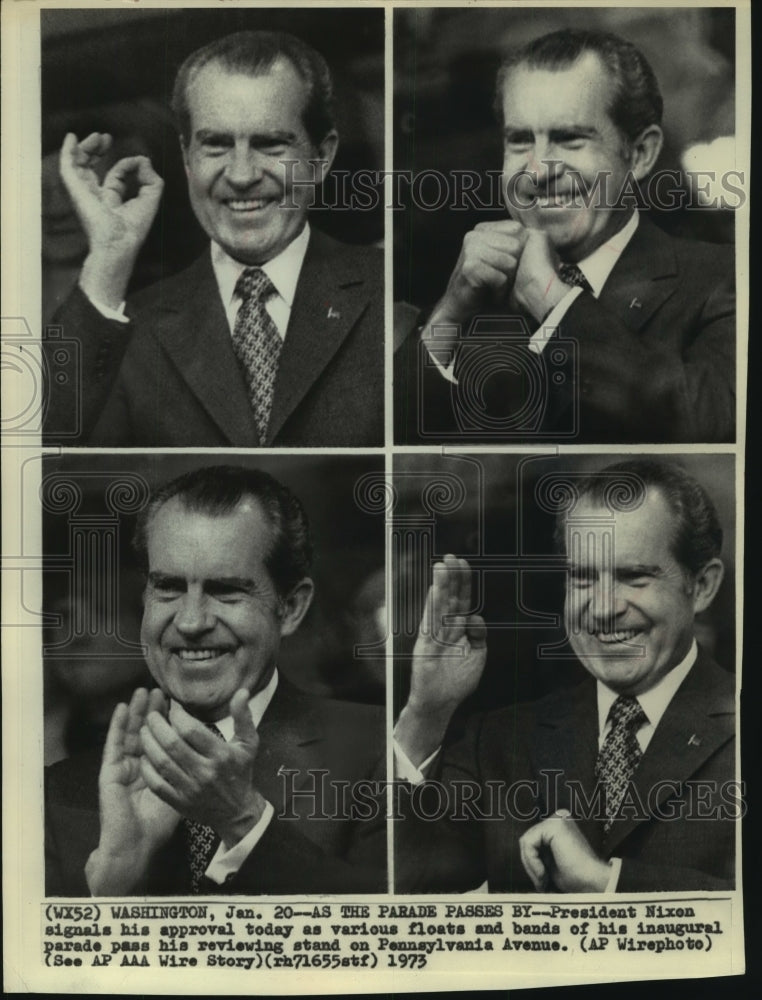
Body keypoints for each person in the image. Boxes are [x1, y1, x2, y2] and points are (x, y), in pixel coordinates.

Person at [394, 460, 737, 892]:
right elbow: (402, 887)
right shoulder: (500, 740)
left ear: (702, 585)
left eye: (634, 577)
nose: (603, 608)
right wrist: (426, 713)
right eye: (582, 578)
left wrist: (608, 884)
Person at [45, 465, 386, 895]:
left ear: (292, 608)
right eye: (167, 587)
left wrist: (242, 821)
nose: (189, 622)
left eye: (226, 590)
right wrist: (116, 881)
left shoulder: (383, 752)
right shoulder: (61, 792)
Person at [395, 29, 735, 444]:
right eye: (520, 141)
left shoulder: (725, 281)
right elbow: (384, 441)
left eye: (570, 138)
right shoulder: (468, 302)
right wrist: (447, 319)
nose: (538, 171)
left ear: (640, 154)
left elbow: (710, 425)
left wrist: (555, 302)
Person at [44, 30, 383, 447]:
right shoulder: (130, 329)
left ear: (320, 157)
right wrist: (109, 257)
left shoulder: (391, 292)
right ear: (187, 157)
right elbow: (35, 465)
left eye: (270, 143)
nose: (241, 175)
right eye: (217, 145)